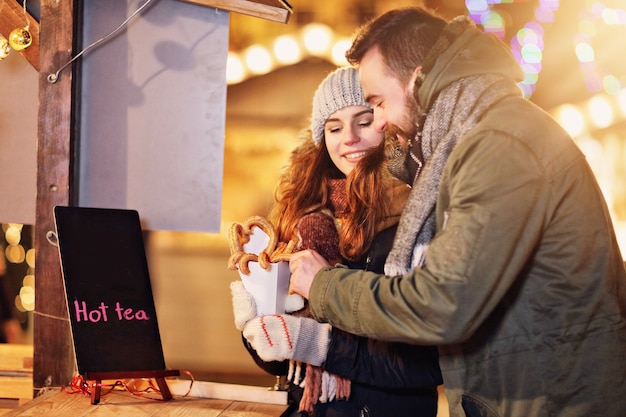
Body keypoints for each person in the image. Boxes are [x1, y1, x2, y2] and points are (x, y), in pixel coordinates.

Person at [287, 7, 626, 417]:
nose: (377, 123)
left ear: (416, 79)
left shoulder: (497, 146)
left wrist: (323, 286)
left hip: (553, 400)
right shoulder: (476, 136)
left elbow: (441, 304)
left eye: (376, 103)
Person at [231, 66, 442, 417]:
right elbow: (285, 367)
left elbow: (429, 363)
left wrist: (321, 345)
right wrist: (259, 327)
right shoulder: (303, 215)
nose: (348, 138)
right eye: (334, 127)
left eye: (363, 121)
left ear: (388, 122)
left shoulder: (419, 216)